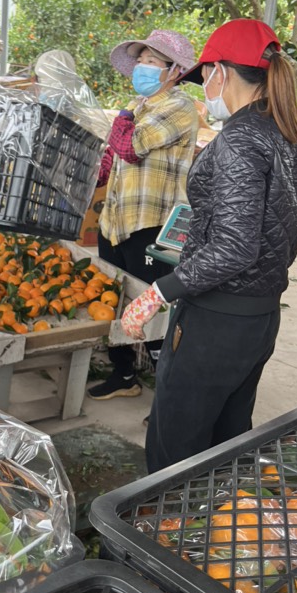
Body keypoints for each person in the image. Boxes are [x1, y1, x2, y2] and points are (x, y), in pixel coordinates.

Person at [121, 19, 297, 473]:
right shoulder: (291, 137)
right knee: (226, 445)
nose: (202, 86)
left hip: (216, 321)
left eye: (204, 75)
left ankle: (157, 538)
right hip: (259, 317)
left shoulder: (241, 138)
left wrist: (158, 291)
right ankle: (212, 533)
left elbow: (234, 247)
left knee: (175, 452)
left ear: (221, 72)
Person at [88, 30, 199, 402]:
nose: (143, 67)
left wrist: (119, 126)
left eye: (152, 61)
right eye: (141, 60)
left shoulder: (179, 108)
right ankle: (123, 374)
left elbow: (131, 146)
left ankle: (170, 394)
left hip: (150, 225)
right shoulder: (138, 105)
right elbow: (114, 154)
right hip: (117, 221)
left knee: (153, 308)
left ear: (174, 71)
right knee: (113, 299)